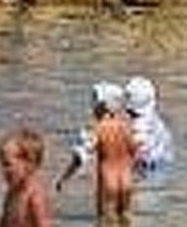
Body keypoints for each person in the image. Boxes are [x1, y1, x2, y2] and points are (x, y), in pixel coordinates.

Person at [54, 81, 139, 219]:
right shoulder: (127, 127)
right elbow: (135, 152)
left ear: (103, 106)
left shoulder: (97, 129)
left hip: (108, 183)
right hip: (127, 182)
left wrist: (64, 178)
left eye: (95, 104)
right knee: (125, 223)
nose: (92, 109)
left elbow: (80, 157)